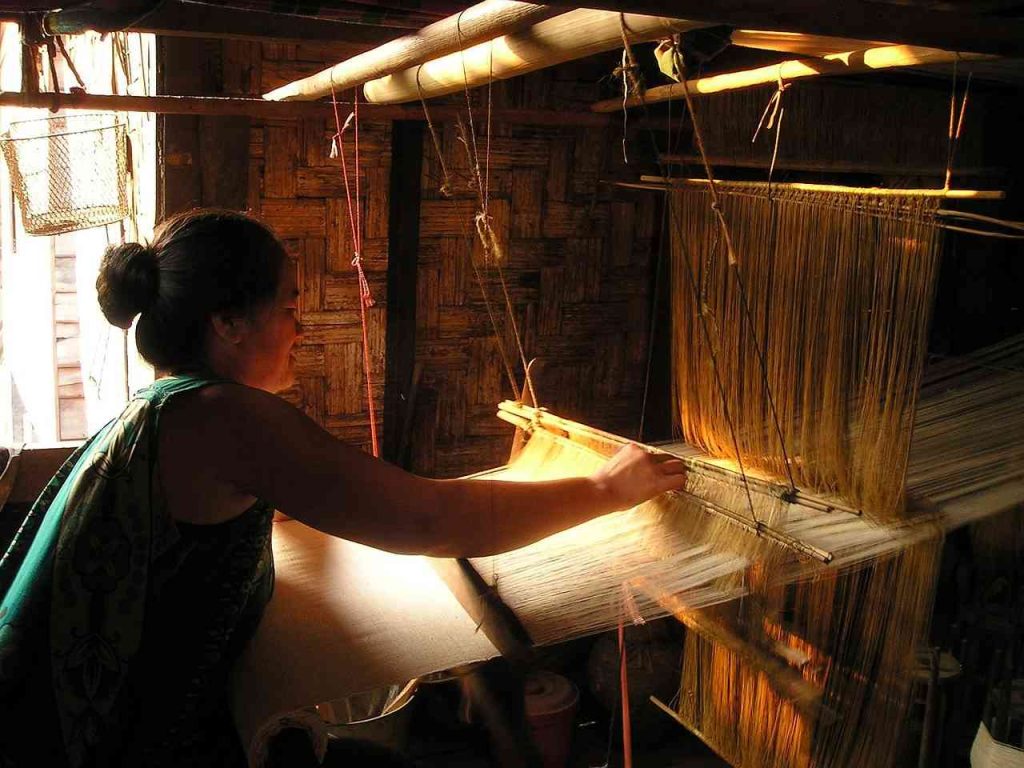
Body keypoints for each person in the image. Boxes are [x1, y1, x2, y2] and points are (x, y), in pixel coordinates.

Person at [0, 209, 687, 767]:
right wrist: (607, 487)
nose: (301, 327)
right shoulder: (222, 417)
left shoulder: (158, 408)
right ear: (228, 323)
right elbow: (430, 521)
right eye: (289, 305)